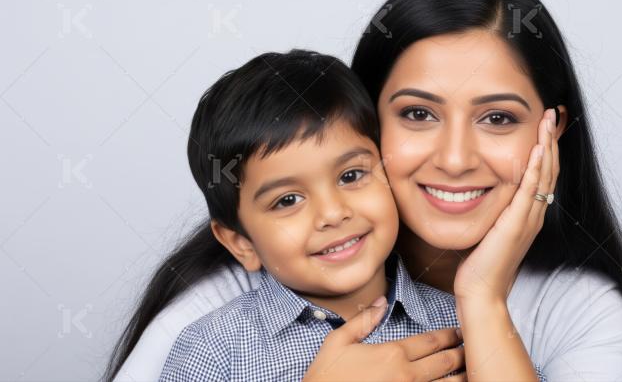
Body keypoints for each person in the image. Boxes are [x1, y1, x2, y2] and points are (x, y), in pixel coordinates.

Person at [107, 0, 622, 382]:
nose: (456, 158)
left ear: (551, 134)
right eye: (418, 114)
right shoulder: (227, 307)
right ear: (367, 124)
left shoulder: (570, 308)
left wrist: (483, 297)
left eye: (497, 118)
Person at [155, 49, 494, 381]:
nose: (332, 214)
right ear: (241, 243)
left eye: (351, 176)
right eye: (287, 200)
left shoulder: (464, 326)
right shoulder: (213, 349)